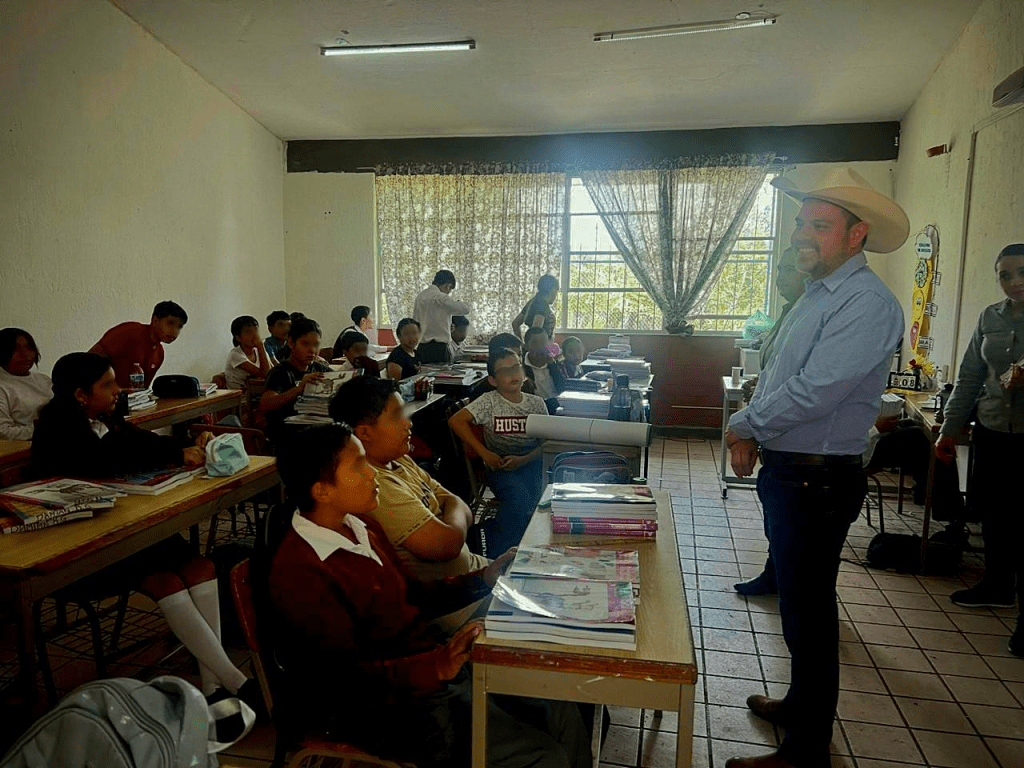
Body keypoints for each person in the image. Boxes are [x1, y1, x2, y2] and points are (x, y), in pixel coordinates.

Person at [266, 423, 591, 768]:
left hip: (426, 672)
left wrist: (482, 578)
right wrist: (436, 665)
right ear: (322, 491)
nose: (371, 474)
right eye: (359, 466)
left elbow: (411, 596)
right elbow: (344, 680)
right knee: (544, 756)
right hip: (384, 709)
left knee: (560, 708)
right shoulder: (301, 571)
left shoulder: (360, 526)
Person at [724, 168, 909, 768]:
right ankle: (801, 705)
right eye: (802, 222)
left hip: (818, 477)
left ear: (857, 235)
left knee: (809, 611)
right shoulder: (816, 293)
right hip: (793, 468)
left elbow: (816, 391)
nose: (802, 233)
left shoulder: (866, 303)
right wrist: (757, 429)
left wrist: (745, 424)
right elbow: (782, 377)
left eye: (819, 225)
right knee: (798, 608)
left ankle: (807, 749)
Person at [31, 352, 261, 733]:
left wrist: (189, 440)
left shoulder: (105, 420)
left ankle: (212, 685)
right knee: (166, 580)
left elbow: (139, 441)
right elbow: (106, 461)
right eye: (106, 384)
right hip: (88, 551)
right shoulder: (56, 431)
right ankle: (236, 682)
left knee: (201, 566)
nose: (117, 389)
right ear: (79, 395)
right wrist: (172, 453)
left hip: (127, 531)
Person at [330, 376, 492, 628]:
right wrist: (452, 515)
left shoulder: (399, 460)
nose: (409, 424)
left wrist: (451, 516)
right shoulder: (376, 486)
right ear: (364, 432)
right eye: (397, 416)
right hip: (454, 608)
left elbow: (457, 503)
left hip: (473, 576)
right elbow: (447, 545)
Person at [937, 243, 1024, 656]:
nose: (1014, 282)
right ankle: (997, 584)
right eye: (1005, 275)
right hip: (991, 429)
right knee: (993, 511)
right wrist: (949, 430)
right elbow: (970, 375)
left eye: (1022, 272)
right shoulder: (991, 317)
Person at [734, 246, 806, 596]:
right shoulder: (790, 313)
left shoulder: (813, 316)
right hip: (776, 436)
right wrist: (760, 383)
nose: (780, 278)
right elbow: (778, 369)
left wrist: (744, 429)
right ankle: (773, 572)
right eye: (778, 270)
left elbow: (803, 385)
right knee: (775, 518)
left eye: (788, 269)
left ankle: (783, 578)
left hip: (801, 443)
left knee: (790, 528)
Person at [448, 348, 548, 555]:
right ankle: (503, 551)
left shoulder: (537, 404)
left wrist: (524, 459)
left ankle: (533, 547)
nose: (513, 374)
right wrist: (484, 453)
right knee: (518, 500)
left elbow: (546, 444)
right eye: (504, 371)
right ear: (493, 380)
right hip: (501, 467)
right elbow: (455, 421)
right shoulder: (489, 401)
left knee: (544, 501)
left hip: (532, 462)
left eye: (516, 367)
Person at [259, 317, 331, 442]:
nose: (312, 351)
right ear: (291, 343)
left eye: (316, 345)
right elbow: (265, 405)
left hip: (317, 429)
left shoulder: (320, 369)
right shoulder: (280, 372)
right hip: (288, 436)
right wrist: (299, 389)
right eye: (305, 344)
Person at [89, 300, 188, 387]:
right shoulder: (130, 331)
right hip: (102, 401)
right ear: (155, 321)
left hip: (131, 403)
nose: (175, 331)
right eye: (170, 323)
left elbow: (142, 389)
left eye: (179, 327)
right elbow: (88, 361)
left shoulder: (159, 354)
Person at [0, 328, 52, 440]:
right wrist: (47, 431)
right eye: (16, 349)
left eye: (29, 348)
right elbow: (3, 431)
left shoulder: (44, 380)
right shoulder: (2, 386)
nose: (25, 354)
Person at [413, 270, 471, 364]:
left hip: (422, 348)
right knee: (442, 377)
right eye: (449, 290)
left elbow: (416, 322)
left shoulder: (420, 297)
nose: (448, 293)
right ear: (447, 286)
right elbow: (465, 309)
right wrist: (459, 303)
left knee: (424, 376)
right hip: (439, 349)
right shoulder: (442, 298)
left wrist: (447, 327)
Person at [224, 316, 274, 391]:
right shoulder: (235, 354)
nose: (254, 335)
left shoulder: (258, 351)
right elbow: (266, 374)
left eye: (256, 330)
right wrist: (261, 346)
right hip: (239, 398)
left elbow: (273, 372)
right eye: (248, 332)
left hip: (255, 393)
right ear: (238, 338)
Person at [523, 327, 566, 415]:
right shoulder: (521, 369)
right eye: (535, 343)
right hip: (536, 413)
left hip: (560, 409)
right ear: (526, 346)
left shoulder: (556, 364)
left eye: (543, 342)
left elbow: (563, 388)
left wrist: (553, 366)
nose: (540, 347)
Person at [513, 275, 558, 341]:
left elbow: (515, 323)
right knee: (558, 349)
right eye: (557, 291)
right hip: (542, 348)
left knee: (557, 349)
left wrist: (522, 344)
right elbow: (536, 331)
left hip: (536, 346)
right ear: (553, 290)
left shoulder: (532, 302)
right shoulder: (542, 305)